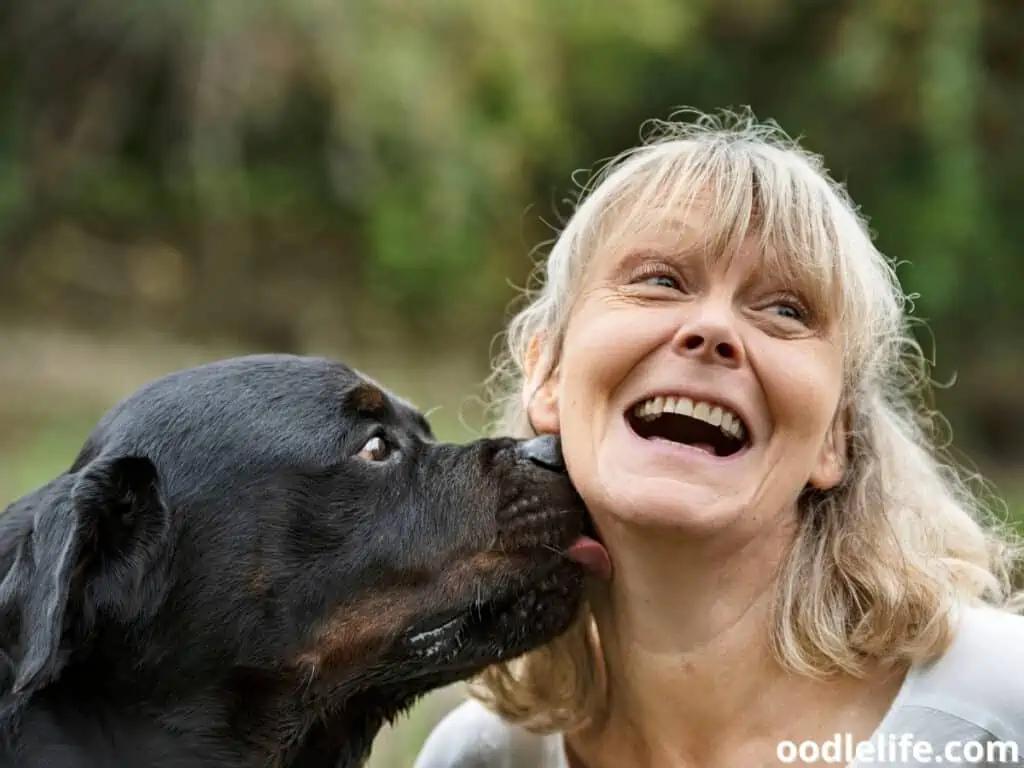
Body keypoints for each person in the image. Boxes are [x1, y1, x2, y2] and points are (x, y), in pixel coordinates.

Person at [412, 108, 1024, 767]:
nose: (712, 328)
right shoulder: (480, 757)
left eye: (786, 310)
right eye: (660, 280)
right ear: (549, 373)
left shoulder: (999, 709)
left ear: (834, 440)